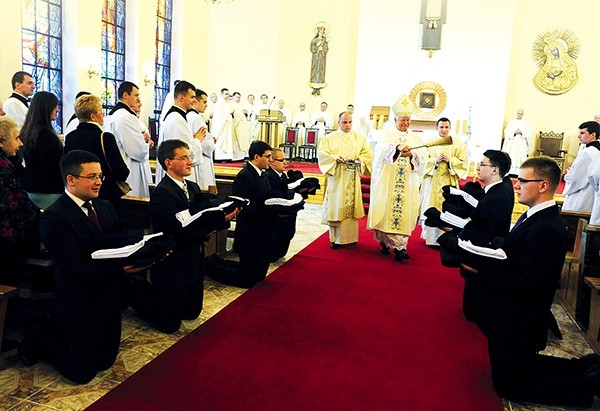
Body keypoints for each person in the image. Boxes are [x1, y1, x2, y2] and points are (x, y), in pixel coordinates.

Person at [465, 156, 600, 408]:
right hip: (514, 314)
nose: (516, 185)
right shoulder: (534, 216)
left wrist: (481, 270)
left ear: (543, 185)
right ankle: (584, 366)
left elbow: (528, 285)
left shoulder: (546, 228)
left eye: (523, 181)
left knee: (509, 385)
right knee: (520, 367)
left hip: (520, 317)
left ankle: (585, 386)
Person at [18, 150, 147, 384]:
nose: (99, 182)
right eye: (92, 176)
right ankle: (39, 336)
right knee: (82, 374)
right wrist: (119, 270)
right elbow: (74, 266)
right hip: (79, 299)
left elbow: (120, 240)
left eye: (100, 176)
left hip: (107, 295)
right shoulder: (54, 216)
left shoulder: (105, 207)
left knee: (105, 362)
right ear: (71, 180)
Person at [128, 140, 235, 333]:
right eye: (183, 158)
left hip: (193, 257)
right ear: (168, 162)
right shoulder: (163, 193)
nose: (189, 162)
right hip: (173, 259)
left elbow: (200, 219)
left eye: (189, 157)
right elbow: (179, 230)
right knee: (169, 325)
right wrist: (213, 224)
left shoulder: (192, 187)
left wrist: (221, 217)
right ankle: (133, 291)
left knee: (192, 313)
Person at [367, 96, 427, 261]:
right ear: (395, 119)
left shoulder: (416, 138)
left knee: (404, 211)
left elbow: (424, 157)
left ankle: (401, 248)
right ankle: (385, 243)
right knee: (386, 211)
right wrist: (397, 148)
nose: (405, 123)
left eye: (408, 120)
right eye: (402, 120)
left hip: (407, 182)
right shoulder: (386, 135)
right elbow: (379, 150)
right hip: (388, 181)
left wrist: (412, 154)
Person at [457, 150, 514, 322]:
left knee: (472, 309)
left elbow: (484, 230)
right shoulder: (500, 187)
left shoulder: (496, 196)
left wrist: (457, 233)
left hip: (483, 254)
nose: (478, 168)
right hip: (487, 244)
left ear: (495, 170)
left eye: (483, 164)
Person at [222, 141, 276, 288]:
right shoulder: (245, 176)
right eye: (268, 156)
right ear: (257, 156)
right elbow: (245, 207)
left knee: (259, 276)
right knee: (248, 279)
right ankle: (212, 267)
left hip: (262, 230)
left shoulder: (263, 175)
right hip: (251, 232)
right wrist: (270, 214)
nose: (271, 160)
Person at [318, 111, 372, 249]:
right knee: (336, 206)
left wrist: (360, 159)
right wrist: (335, 158)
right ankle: (334, 239)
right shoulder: (329, 138)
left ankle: (350, 238)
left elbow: (368, 153)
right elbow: (323, 153)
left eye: (350, 122)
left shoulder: (358, 138)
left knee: (351, 208)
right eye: (344, 122)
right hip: (338, 177)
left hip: (353, 177)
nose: (348, 125)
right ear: (339, 122)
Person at [64, 94, 130, 204]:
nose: (103, 116)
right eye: (101, 113)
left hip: (78, 193)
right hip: (104, 193)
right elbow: (121, 171)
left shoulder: (70, 137)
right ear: (93, 117)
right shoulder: (105, 137)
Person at [0, 117, 40, 282]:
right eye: (16, 138)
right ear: (1, 142)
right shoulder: (3, 168)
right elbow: (16, 204)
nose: (21, 144)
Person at [420, 117, 468, 246]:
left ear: (450, 128)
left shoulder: (458, 144)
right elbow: (423, 160)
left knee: (448, 208)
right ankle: (430, 238)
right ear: (437, 128)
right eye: (441, 127)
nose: (444, 130)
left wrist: (450, 161)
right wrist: (435, 160)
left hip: (449, 180)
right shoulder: (430, 143)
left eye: (446, 127)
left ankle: (447, 238)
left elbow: (463, 161)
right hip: (433, 180)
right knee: (432, 205)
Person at [104, 81, 152, 197]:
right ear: (125, 95)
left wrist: (140, 138)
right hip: (131, 171)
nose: (138, 99)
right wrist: (146, 143)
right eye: (136, 95)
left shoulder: (110, 117)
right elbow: (138, 152)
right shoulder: (127, 117)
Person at [155, 80, 205, 185]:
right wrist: (198, 140)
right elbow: (182, 152)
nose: (194, 101)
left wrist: (192, 138)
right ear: (182, 98)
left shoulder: (176, 117)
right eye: (192, 97)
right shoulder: (177, 120)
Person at [21, 91, 63, 209]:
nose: (57, 110)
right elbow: (52, 165)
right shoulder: (45, 134)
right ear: (46, 108)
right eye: (54, 106)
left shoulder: (27, 130)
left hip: (31, 187)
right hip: (48, 189)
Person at [264, 148, 297, 261]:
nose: (285, 162)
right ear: (272, 161)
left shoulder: (281, 174)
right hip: (277, 219)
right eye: (282, 160)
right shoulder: (268, 176)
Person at [562, 121, 600, 211]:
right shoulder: (596, 150)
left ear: (593, 135)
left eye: (582, 133)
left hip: (582, 195)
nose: (579, 136)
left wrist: (568, 174)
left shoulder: (588, 152)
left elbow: (575, 178)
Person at [187, 88, 217, 191]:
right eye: (204, 102)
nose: (206, 105)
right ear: (196, 101)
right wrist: (212, 142)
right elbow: (205, 145)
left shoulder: (187, 116)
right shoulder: (196, 118)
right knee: (205, 187)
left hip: (194, 156)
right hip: (202, 160)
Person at [502, 109, 533, 175]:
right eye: (518, 113)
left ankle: (519, 172)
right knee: (512, 154)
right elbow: (507, 131)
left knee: (520, 155)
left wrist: (522, 132)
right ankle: (510, 170)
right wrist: (514, 132)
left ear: (523, 115)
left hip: (521, 142)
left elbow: (529, 132)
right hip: (512, 142)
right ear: (516, 114)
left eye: (521, 114)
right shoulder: (511, 122)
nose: (519, 115)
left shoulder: (526, 123)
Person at [212, 88, 236, 161]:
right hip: (222, 126)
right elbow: (219, 115)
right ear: (222, 94)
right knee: (222, 140)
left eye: (228, 94)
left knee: (228, 140)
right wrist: (228, 113)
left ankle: (228, 157)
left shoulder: (228, 103)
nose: (227, 95)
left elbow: (231, 111)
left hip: (228, 126)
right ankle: (220, 157)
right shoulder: (219, 104)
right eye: (226, 94)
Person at [309, 23, 328, 95]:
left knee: (321, 69)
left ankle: (319, 85)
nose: (321, 32)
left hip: (321, 58)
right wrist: (317, 47)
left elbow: (326, 49)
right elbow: (312, 48)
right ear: (318, 31)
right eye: (320, 30)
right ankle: (314, 85)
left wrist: (322, 49)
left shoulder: (325, 41)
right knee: (315, 69)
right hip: (316, 58)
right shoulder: (314, 40)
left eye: (322, 30)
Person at [232, 91, 250, 159]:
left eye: (239, 97)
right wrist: (241, 113)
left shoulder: (240, 105)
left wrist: (245, 113)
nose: (238, 99)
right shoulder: (231, 104)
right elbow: (234, 114)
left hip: (242, 126)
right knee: (237, 141)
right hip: (236, 125)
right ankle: (236, 157)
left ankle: (242, 156)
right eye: (237, 97)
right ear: (233, 97)